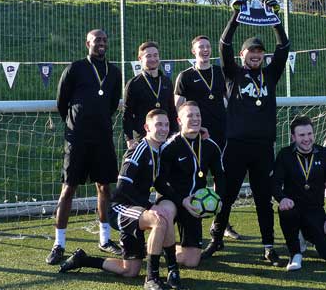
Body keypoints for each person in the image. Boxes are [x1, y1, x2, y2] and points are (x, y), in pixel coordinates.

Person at [202, 0, 290, 266]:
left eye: (259, 52)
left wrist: (274, 17)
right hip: (236, 145)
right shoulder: (233, 74)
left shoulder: (271, 74)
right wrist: (236, 15)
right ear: (243, 55)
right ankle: (216, 238)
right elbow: (223, 43)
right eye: (251, 52)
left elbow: (284, 46)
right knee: (226, 195)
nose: (255, 55)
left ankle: (268, 247)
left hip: (263, 146)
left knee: (264, 199)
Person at [59, 109, 186, 290]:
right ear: (147, 127)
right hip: (120, 207)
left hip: (137, 209)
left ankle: (84, 259)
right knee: (159, 219)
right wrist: (150, 207)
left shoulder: (158, 150)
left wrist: (182, 201)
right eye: (158, 124)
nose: (163, 129)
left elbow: (159, 184)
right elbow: (123, 187)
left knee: (130, 270)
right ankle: (153, 278)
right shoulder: (138, 149)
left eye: (166, 125)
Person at [46, 29, 122, 265]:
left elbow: (111, 104)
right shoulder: (75, 68)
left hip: (102, 138)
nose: (101, 42)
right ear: (87, 43)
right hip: (77, 139)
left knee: (104, 188)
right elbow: (62, 102)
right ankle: (59, 245)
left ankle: (105, 239)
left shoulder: (115, 72)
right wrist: (76, 124)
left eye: (104, 39)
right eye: (96, 39)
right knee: (68, 189)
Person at [174, 35, 242, 240]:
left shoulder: (220, 72)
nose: (205, 50)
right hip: (197, 135)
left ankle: (221, 223)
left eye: (207, 47)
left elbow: (230, 100)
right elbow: (178, 106)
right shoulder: (185, 76)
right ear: (193, 51)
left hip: (222, 133)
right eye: (200, 47)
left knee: (222, 177)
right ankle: (191, 221)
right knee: (196, 176)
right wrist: (186, 131)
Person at [155, 101, 226, 267]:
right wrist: (181, 200)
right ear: (179, 121)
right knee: (166, 211)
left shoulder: (210, 146)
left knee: (192, 262)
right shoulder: (169, 147)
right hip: (171, 200)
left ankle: (160, 249)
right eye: (190, 115)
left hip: (195, 204)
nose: (195, 119)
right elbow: (159, 183)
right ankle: (154, 248)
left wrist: (219, 198)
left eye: (198, 115)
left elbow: (220, 177)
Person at [272, 116, 326, 271]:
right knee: (286, 211)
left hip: (315, 211)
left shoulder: (325, 154)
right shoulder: (285, 155)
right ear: (293, 137)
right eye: (302, 135)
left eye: (309, 134)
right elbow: (275, 183)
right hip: (294, 209)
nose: (307, 139)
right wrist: (282, 198)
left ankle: (307, 234)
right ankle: (295, 253)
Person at [123, 41, 178, 150]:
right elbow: (127, 113)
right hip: (143, 138)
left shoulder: (167, 82)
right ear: (140, 58)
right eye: (148, 56)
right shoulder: (133, 84)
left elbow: (172, 110)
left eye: (155, 55)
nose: (153, 59)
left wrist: (175, 134)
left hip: (166, 137)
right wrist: (129, 139)